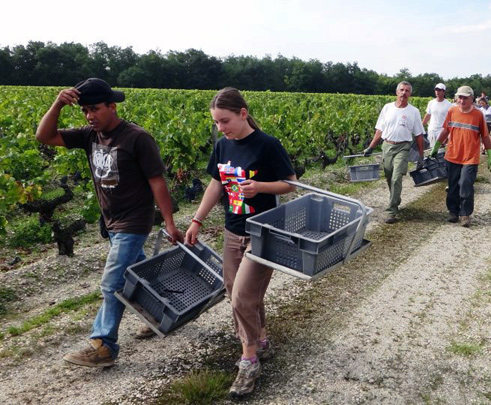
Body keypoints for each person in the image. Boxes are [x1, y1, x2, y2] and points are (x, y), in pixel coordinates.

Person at [35, 78, 184, 367]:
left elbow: (157, 182)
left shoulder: (137, 138)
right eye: (84, 111)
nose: (90, 116)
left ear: (112, 107)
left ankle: (104, 345)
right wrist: (57, 103)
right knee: (138, 274)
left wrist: (169, 222)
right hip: (112, 221)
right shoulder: (89, 135)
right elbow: (44, 136)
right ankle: (161, 312)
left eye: (95, 109)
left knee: (112, 282)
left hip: (134, 221)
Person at [185, 87, 296, 398]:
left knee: (241, 299)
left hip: (264, 232)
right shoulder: (222, 146)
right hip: (233, 230)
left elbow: (290, 183)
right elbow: (216, 184)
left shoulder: (268, 145)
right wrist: (197, 220)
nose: (221, 128)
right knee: (238, 293)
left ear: (243, 113)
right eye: (217, 123)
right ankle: (261, 339)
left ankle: (248, 360)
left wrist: (260, 186)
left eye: (225, 121)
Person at [429, 86, 491, 227]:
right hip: (452, 155)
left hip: (470, 158)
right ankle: (453, 211)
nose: (461, 100)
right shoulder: (452, 111)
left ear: (472, 99)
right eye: (460, 97)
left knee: (465, 184)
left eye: (465, 97)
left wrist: (490, 156)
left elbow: (485, 136)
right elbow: (446, 130)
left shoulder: (478, 115)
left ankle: (465, 214)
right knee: (452, 186)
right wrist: (436, 146)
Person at [363, 81, 425, 224]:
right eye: (402, 90)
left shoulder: (413, 111)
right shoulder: (387, 108)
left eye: (407, 91)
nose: (404, 93)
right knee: (390, 176)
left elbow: (419, 135)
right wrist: (371, 147)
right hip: (387, 146)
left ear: (410, 94)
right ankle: (396, 199)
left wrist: (421, 155)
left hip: (403, 147)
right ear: (397, 92)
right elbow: (379, 130)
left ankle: (391, 211)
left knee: (397, 177)